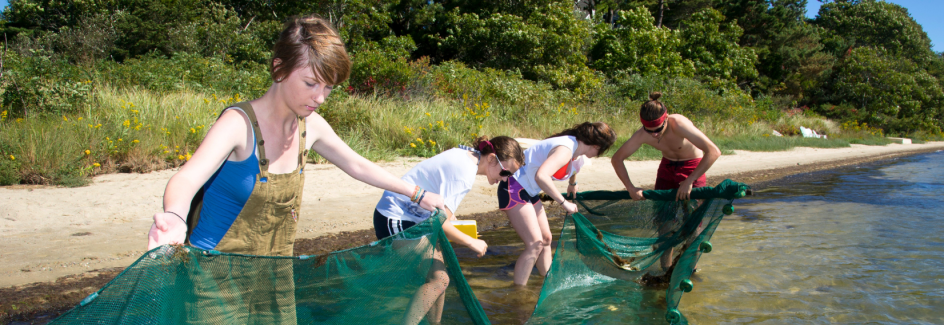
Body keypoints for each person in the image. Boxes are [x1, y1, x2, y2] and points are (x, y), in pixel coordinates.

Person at [146, 15, 444, 254]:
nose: (321, 97)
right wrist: (174, 217)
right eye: (311, 83)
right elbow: (187, 178)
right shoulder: (238, 123)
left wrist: (417, 194)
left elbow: (357, 165)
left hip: (272, 279)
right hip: (211, 280)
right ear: (279, 69)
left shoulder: (310, 126)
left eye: (328, 87)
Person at [373, 136, 524, 325]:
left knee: (439, 279)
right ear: (492, 158)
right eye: (505, 172)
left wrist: (460, 229)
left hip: (414, 217)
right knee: (439, 280)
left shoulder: (466, 156)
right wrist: (471, 242)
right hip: (395, 217)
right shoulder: (464, 175)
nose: (504, 179)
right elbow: (441, 222)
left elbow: (443, 209)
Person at [611, 92, 721, 271]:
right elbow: (617, 159)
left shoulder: (679, 124)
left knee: (692, 223)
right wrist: (630, 188)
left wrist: (690, 180)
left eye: (657, 130)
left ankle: (688, 269)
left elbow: (713, 151)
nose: (654, 135)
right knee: (664, 224)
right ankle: (667, 270)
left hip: (692, 167)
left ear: (666, 118)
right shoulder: (642, 134)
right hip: (667, 168)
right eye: (649, 131)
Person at [500, 122, 617, 286]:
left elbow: (573, 166)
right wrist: (564, 203)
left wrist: (573, 183)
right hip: (513, 188)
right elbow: (541, 176)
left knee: (546, 239)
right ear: (597, 146)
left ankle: (546, 282)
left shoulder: (576, 150)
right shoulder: (566, 148)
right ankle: (519, 294)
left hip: (528, 191)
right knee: (534, 244)